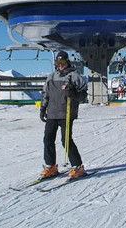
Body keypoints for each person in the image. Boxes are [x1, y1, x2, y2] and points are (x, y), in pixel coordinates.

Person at [39, 51, 88, 179]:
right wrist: (43, 108)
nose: (60, 65)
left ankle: (78, 166)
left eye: (63, 63)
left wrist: (75, 95)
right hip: (52, 113)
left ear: (67, 62)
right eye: (58, 63)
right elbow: (45, 93)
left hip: (66, 113)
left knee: (65, 140)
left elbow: (83, 94)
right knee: (48, 139)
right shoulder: (51, 77)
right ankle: (51, 166)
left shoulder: (73, 76)